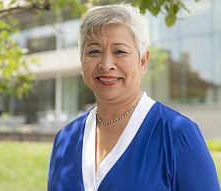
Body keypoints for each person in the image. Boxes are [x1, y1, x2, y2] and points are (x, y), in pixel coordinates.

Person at [47, 4, 220, 191]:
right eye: (94, 51)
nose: (106, 65)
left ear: (143, 61)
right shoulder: (65, 139)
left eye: (120, 51)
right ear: (82, 62)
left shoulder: (178, 134)